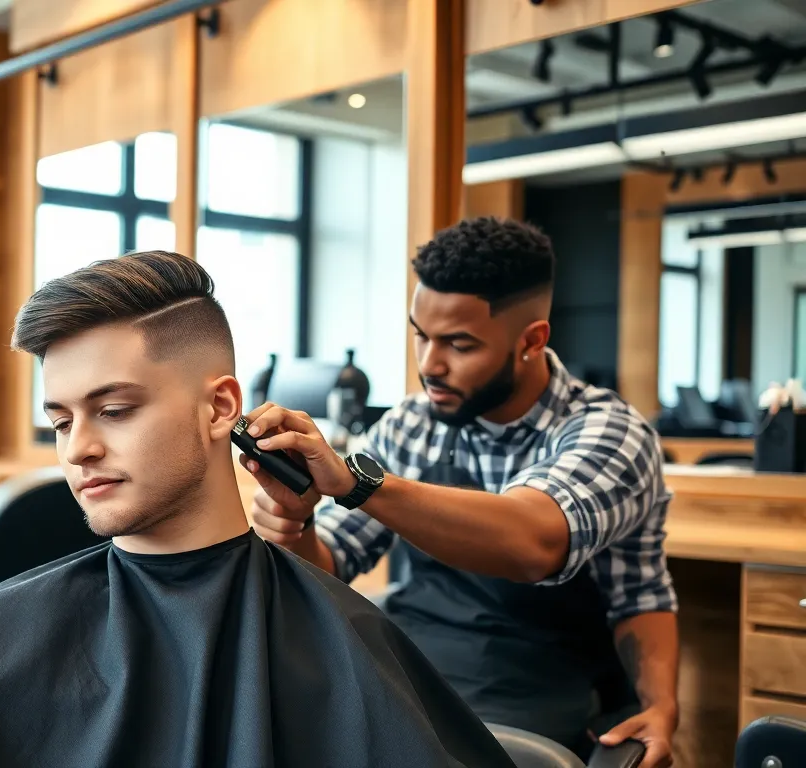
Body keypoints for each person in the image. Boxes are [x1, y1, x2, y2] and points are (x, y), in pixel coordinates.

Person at [0, 250, 515, 768]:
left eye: (113, 410)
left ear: (220, 407)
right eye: (59, 422)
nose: (79, 449)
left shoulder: (343, 641)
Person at [246, 217, 678, 767]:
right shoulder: (413, 423)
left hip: (536, 697)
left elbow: (534, 542)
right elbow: (332, 559)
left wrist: (663, 705)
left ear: (532, 340)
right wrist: (295, 524)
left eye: (460, 344)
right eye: (422, 336)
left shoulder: (608, 432)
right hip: (407, 674)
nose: (430, 365)